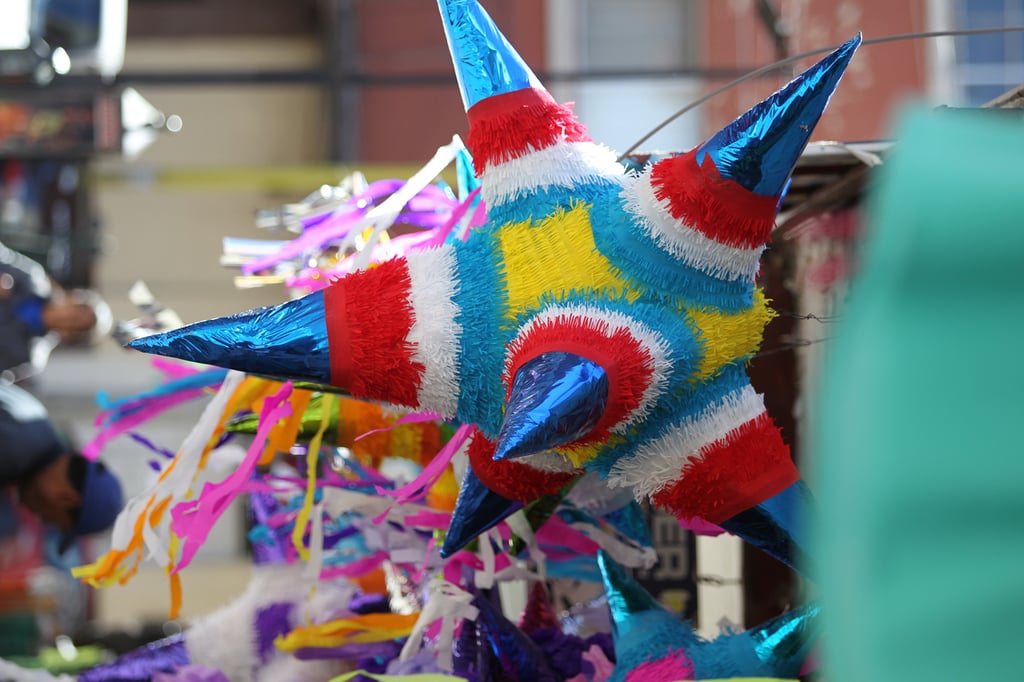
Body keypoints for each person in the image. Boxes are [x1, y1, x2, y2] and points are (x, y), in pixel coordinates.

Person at [0, 381, 123, 549]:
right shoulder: (12, 452)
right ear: (66, 498)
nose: (35, 515)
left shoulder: (38, 425)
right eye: (49, 519)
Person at [0, 239, 112, 383]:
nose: (68, 318)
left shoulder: (30, 355)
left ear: (71, 334)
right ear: (73, 297)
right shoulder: (32, 277)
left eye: (75, 324)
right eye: (76, 311)